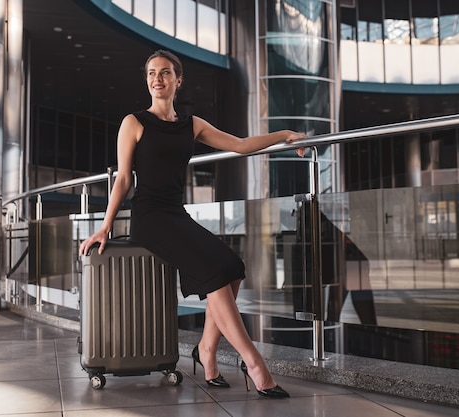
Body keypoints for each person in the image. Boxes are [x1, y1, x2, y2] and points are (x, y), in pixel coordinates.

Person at [79, 49, 306, 398]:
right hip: (149, 217)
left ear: (178, 80)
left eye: (165, 72)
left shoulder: (191, 124)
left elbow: (241, 145)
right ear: (147, 80)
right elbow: (123, 178)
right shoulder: (134, 122)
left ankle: (207, 351)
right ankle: (255, 363)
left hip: (176, 212)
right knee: (216, 274)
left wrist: (284, 135)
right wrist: (106, 225)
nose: (158, 78)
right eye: (152, 73)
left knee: (232, 267)